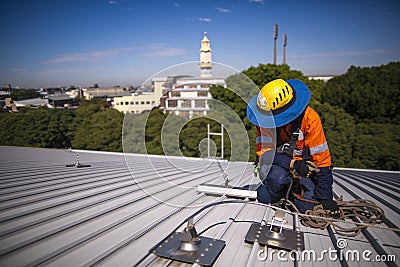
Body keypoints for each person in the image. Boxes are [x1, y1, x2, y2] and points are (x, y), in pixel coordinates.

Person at [246, 78, 339, 217]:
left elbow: (322, 160)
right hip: (276, 166)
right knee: (276, 178)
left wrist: (326, 197)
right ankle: (277, 196)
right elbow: (265, 155)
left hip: (303, 169)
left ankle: (291, 195)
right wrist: (292, 163)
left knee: (307, 207)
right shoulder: (263, 121)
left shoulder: (310, 119)